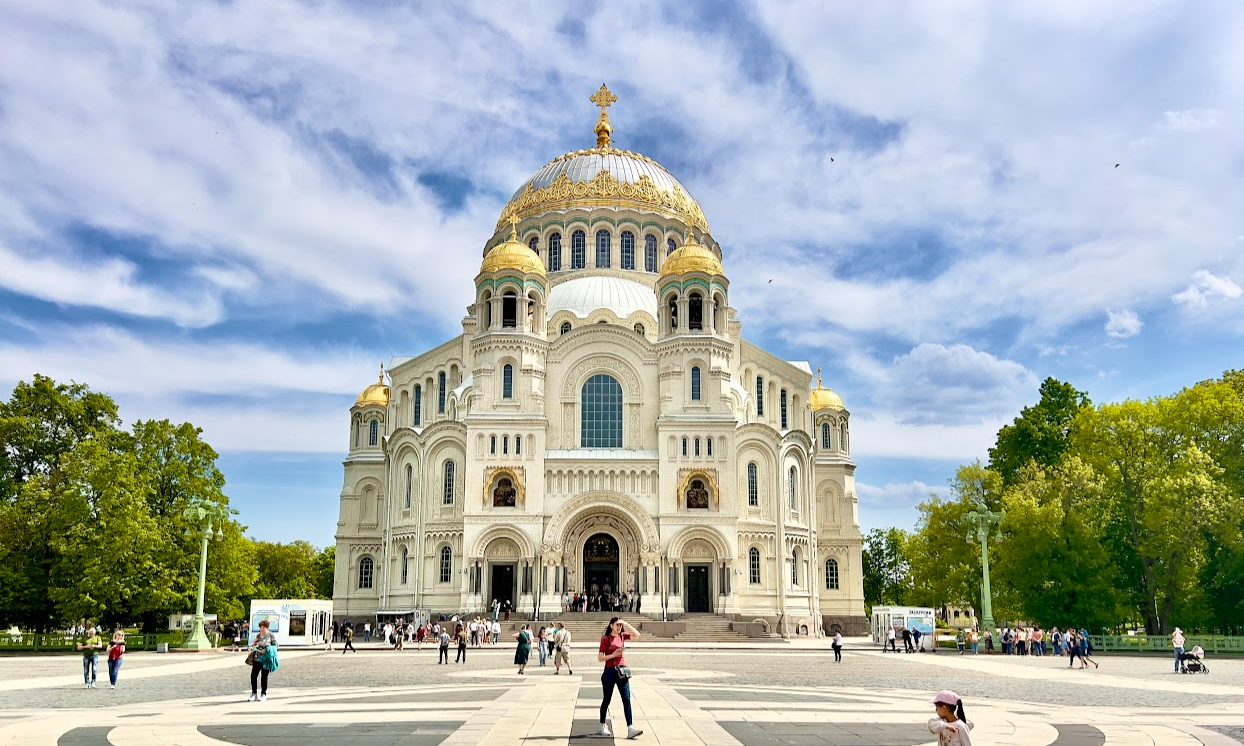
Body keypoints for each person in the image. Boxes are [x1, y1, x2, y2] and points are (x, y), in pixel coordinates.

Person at [597, 617, 642, 739]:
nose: (619, 627)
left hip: (622, 670)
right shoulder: (605, 638)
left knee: (626, 699)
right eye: (617, 625)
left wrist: (627, 623)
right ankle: (602, 724)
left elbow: (637, 635)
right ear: (611, 625)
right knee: (607, 699)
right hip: (610, 671)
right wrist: (613, 655)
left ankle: (630, 727)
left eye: (620, 625)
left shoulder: (622, 636)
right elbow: (600, 657)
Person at [248, 619, 277, 702]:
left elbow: (275, 646)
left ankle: (263, 693)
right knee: (253, 675)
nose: (261, 629)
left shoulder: (270, 635)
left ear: (266, 627)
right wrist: (253, 646)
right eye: (260, 627)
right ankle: (254, 693)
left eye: (263, 627)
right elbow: (254, 644)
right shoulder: (258, 635)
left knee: (264, 676)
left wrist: (267, 649)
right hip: (257, 658)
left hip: (266, 659)